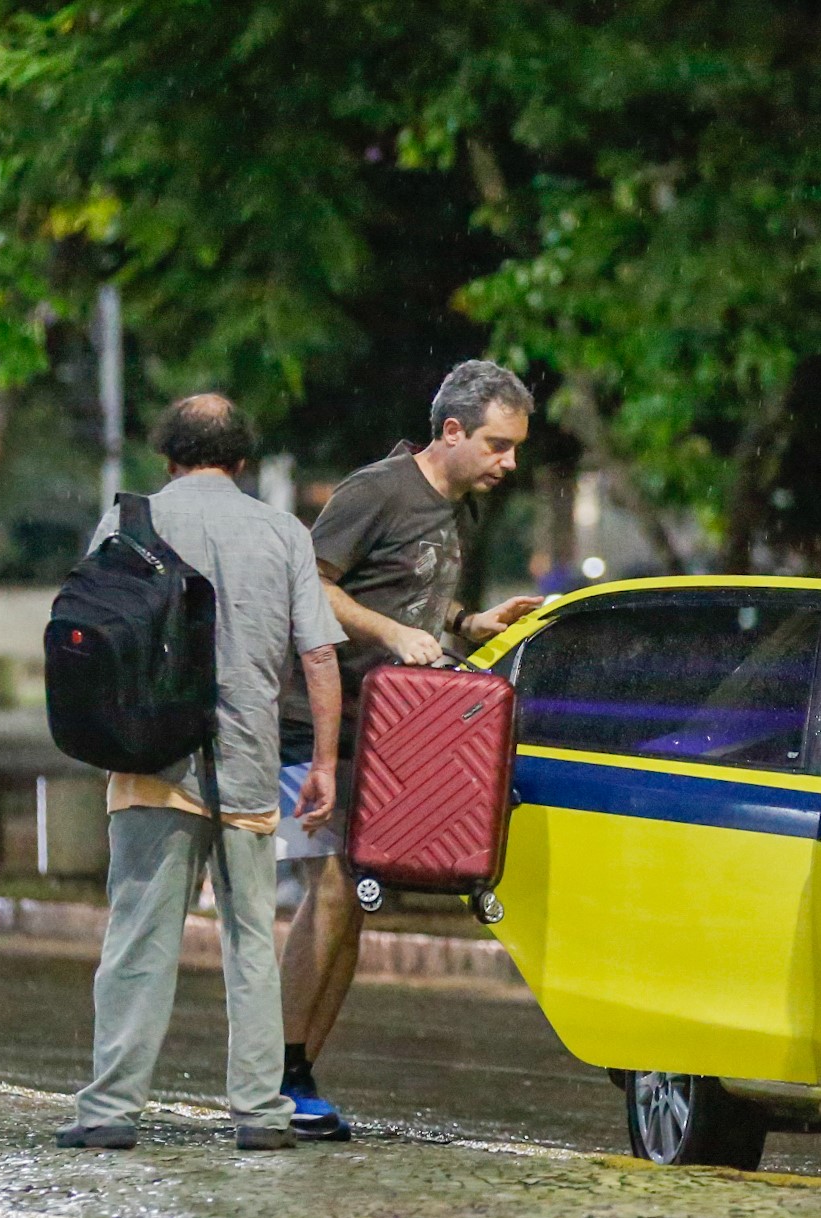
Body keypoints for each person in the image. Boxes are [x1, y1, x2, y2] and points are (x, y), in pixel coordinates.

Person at [58, 394, 346, 1153]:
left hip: (151, 760)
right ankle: (259, 1113)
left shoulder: (129, 521)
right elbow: (319, 654)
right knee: (253, 942)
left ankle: (110, 1110)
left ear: (168, 455)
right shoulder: (283, 532)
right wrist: (320, 763)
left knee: (138, 940)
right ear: (242, 459)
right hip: (249, 765)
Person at [275, 360, 543, 1139]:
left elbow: (415, 593)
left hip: (398, 733)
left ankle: (296, 1079)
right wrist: (391, 634)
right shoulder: (377, 490)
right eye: (497, 445)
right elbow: (313, 587)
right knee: (331, 887)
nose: (510, 463)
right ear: (451, 431)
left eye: (516, 448)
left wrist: (468, 623)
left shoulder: (462, 509)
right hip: (323, 720)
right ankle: (281, 1073)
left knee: (357, 897)